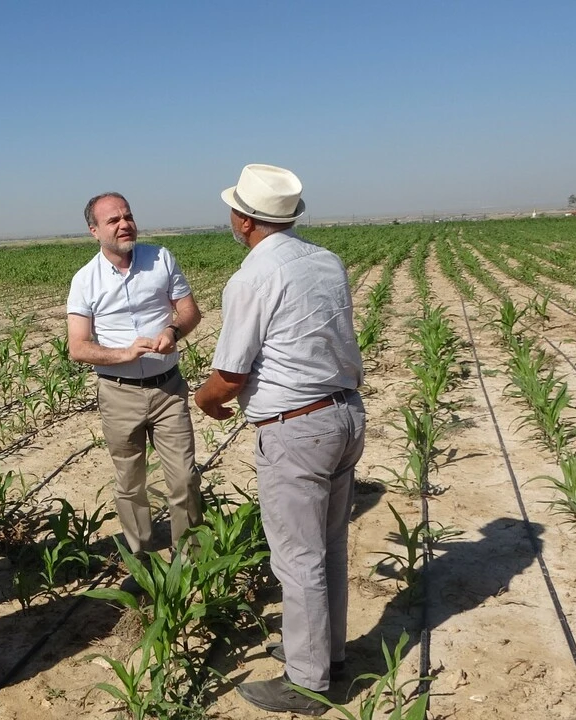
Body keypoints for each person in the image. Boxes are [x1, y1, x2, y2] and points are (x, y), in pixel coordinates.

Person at [193, 164, 365, 715]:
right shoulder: (326, 261)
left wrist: (206, 400)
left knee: (297, 556)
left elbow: (232, 375)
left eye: (233, 210)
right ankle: (324, 651)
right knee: (330, 544)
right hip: (344, 414)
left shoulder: (253, 277)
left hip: (296, 428)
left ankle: (308, 681)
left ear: (244, 220)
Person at [66, 192, 203, 567]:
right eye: (113, 220)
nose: (125, 224)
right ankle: (140, 559)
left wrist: (174, 330)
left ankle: (189, 560)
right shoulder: (85, 281)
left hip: (167, 388)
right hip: (118, 393)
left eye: (128, 216)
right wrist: (122, 354)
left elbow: (191, 312)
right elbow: (77, 347)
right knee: (130, 484)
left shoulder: (161, 259)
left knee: (185, 479)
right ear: (94, 231)